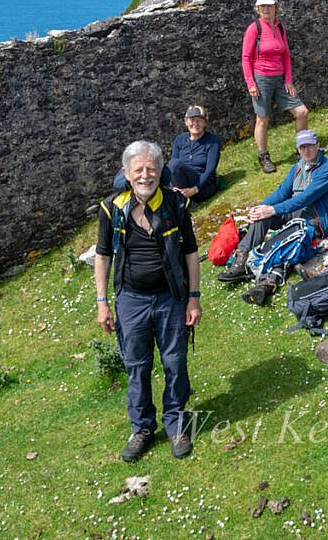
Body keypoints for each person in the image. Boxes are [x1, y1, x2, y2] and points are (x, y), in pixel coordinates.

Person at [94, 141, 202, 462]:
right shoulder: (112, 208)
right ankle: (142, 428)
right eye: (138, 170)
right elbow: (102, 256)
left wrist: (193, 299)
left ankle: (176, 424)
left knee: (174, 362)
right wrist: (102, 302)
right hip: (131, 300)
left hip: (171, 298)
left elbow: (191, 253)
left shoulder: (176, 206)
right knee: (136, 365)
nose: (145, 175)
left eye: (151, 168)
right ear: (126, 173)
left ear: (160, 171)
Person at [218, 129, 328, 285]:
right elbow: (282, 192)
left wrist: (273, 210)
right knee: (261, 217)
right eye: (302, 147)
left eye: (310, 146)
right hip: (295, 211)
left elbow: (306, 198)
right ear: (298, 149)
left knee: (288, 236)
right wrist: (261, 207)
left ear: (318, 145)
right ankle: (241, 259)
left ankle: (267, 273)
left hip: (316, 217)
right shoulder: (298, 167)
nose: (306, 150)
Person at [242, 0, 309, 174]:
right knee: (262, 119)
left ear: (276, 8)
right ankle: (264, 156)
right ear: (257, 9)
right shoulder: (254, 28)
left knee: (301, 112)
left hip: (280, 79)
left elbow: (286, 54)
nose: (266, 9)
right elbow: (246, 58)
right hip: (261, 78)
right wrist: (251, 83)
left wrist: (288, 79)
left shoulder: (279, 27)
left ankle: (302, 149)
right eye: (262, 6)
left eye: (269, 5)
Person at [167, 105, 221, 202]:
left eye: (199, 120)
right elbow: (172, 167)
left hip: (203, 185)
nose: (195, 124)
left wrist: (195, 189)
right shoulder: (179, 140)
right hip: (182, 184)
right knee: (173, 164)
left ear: (205, 123)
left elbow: (210, 170)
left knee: (175, 164)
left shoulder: (213, 141)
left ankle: (183, 201)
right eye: (192, 120)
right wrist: (173, 187)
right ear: (186, 122)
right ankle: (181, 199)